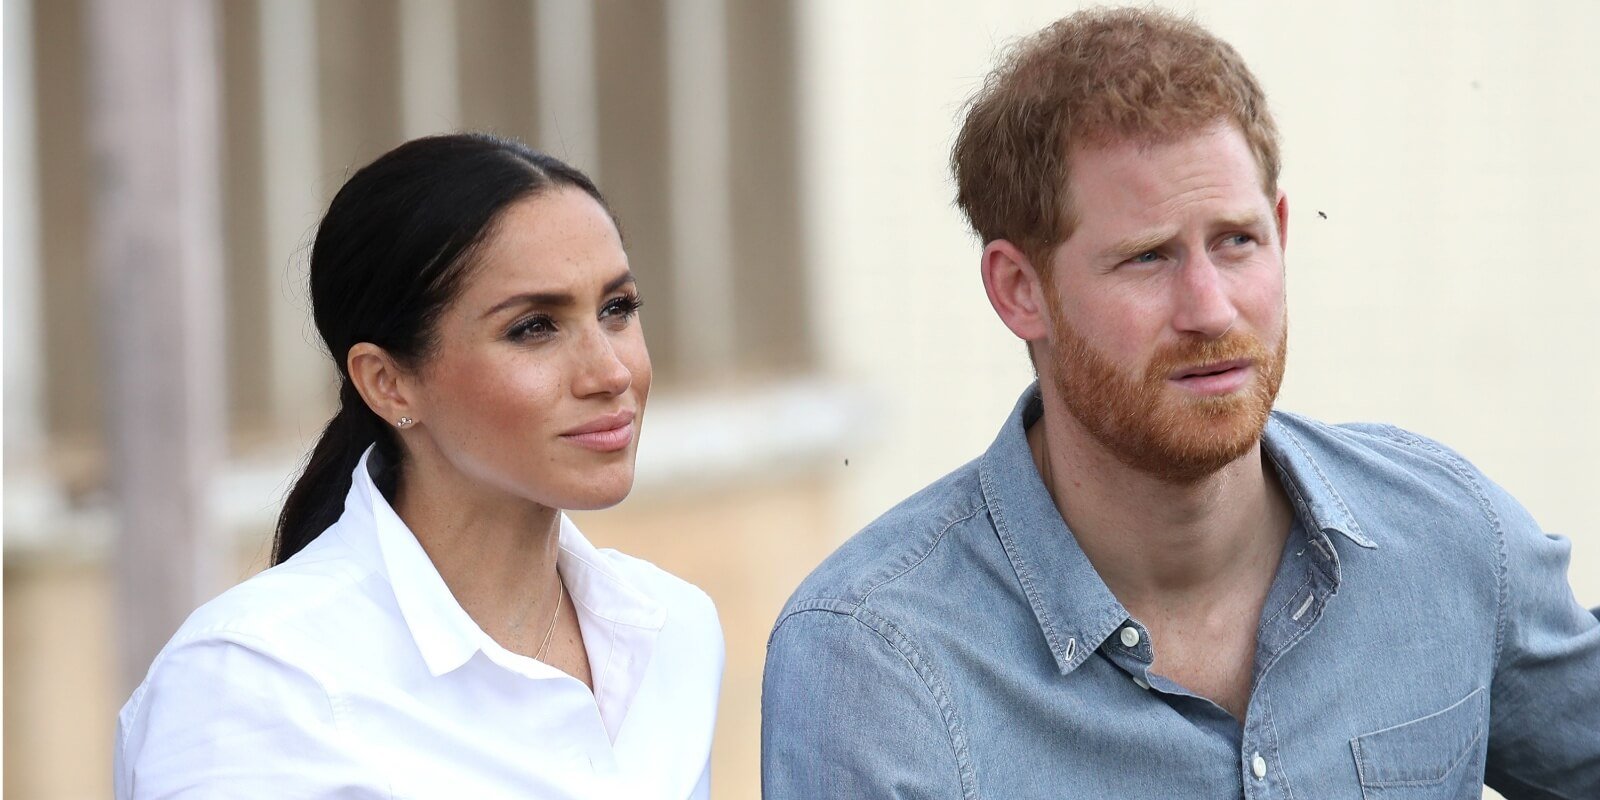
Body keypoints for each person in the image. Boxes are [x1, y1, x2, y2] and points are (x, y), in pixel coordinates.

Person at [761, 8, 1599, 798]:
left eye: (1236, 242)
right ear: (1020, 290)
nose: (1210, 309)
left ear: (1280, 230)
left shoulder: (1445, 539)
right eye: (1148, 258)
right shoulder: (875, 660)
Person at [115, 134, 723, 798]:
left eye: (617, 310)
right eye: (534, 327)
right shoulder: (255, 684)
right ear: (388, 383)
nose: (610, 372)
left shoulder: (671, 630)